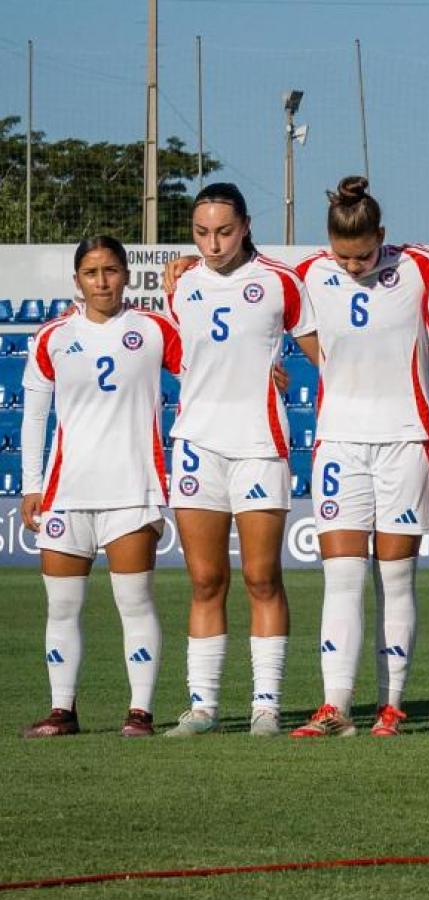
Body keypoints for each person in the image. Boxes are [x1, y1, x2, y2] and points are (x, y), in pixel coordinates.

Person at [284, 177, 429, 738]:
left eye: (363, 255)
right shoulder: (311, 272)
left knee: (395, 578)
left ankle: (392, 705)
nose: (352, 267)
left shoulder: (418, 268)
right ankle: (336, 706)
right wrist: (184, 267)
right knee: (342, 578)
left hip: (406, 440)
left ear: (382, 236)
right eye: (343, 256)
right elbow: (243, 273)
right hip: (339, 442)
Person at [163, 183, 318, 737]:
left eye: (224, 231)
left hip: (259, 445)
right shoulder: (179, 285)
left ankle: (266, 705)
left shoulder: (281, 282)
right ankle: (202, 706)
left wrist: (289, 374)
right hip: (197, 445)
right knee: (205, 580)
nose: (213, 243)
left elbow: (324, 353)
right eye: (201, 233)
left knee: (261, 577)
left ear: (247, 225)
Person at [20, 237, 179, 738]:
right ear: (77, 281)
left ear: (127, 275)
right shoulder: (52, 338)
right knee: (62, 606)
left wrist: (268, 376)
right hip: (68, 492)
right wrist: (31, 485)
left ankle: (140, 712)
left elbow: (207, 375)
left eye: (111, 270)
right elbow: (34, 416)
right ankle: (62, 710)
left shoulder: (154, 331)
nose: (102, 280)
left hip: (134, 490)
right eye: (91, 272)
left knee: (135, 602)